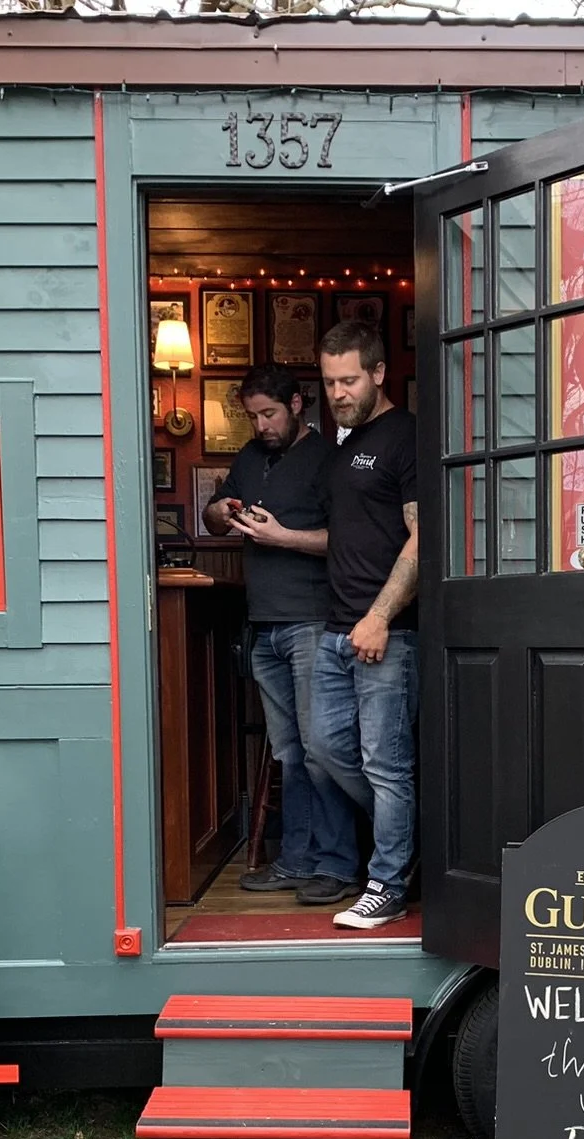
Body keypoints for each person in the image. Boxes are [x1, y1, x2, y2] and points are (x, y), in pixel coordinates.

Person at [202, 364, 359, 906]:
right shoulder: (249, 457)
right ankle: (296, 860)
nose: (261, 425)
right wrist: (219, 509)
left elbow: (347, 540)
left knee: (319, 750)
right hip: (263, 624)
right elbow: (214, 519)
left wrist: (283, 537)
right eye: (252, 416)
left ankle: (337, 865)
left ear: (296, 404)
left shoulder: (329, 459)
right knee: (290, 752)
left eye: (269, 414)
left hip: (313, 621)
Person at [307, 321, 419, 930]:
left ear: (378, 372)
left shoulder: (406, 437)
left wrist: (378, 617)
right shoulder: (346, 446)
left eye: (348, 380)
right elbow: (345, 535)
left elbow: (424, 538)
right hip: (336, 629)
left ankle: (388, 883)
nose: (338, 393)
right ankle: (407, 843)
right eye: (329, 382)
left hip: (386, 633)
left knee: (385, 764)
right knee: (325, 748)